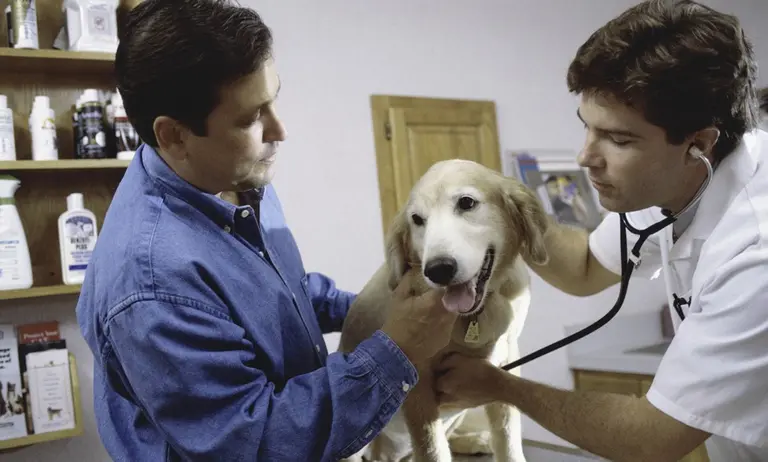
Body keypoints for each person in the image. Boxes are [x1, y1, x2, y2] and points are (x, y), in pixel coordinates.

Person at [75, 1, 457, 461]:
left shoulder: (232, 176)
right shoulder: (153, 282)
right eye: (251, 118)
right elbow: (257, 441)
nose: (280, 129)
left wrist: (376, 307)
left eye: (274, 99)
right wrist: (398, 349)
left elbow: (279, 293)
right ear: (174, 136)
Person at [434, 1, 768, 461]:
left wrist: (500, 386)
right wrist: (509, 206)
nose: (585, 157)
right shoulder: (677, 180)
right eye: (588, 128)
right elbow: (585, 267)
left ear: (699, 145)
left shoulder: (756, 252)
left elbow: (651, 437)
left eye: (618, 139)